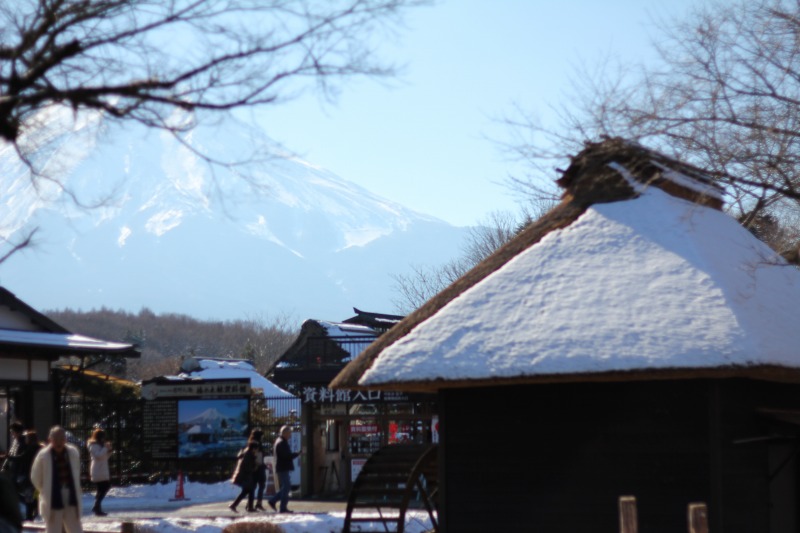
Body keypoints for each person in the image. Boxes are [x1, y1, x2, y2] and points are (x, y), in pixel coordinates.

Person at [30, 426, 83, 533]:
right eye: (56, 440)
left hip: (70, 494)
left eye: (61, 439)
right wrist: (45, 489)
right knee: (53, 529)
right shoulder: (43, 455)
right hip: (52, 496)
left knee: (75, 528)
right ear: (50, 440)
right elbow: (35, 477)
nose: (59, 443)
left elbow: (77, 472)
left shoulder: (73, 453)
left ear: (65, 440)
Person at [267, 425, 300, 513]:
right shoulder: (282, 443)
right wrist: (296, 454)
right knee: (287, 487)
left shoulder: (280, 441)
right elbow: (286, 456)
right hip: (283, 467)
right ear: (285, 433)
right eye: (289, 433)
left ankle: (273, 501)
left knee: (286, 487)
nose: (290, 435)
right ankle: (282, 507)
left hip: (282, 466)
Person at [87, 428, 113, 516]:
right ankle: (96, 506)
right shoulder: (93, 445)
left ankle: (97, 507)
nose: (103, 439)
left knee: (101, 489)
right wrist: (105, 448)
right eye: (102, 437)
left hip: (102, 469)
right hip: (97, 470)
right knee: (105, 486)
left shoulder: (101, 445)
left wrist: (109, 451)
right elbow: (98, 455)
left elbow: (104, 457)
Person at [228, 440, 259, 513]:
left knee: (248, 490)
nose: (257, 450)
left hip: (243, 475)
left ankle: (237, 505)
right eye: (256, 448)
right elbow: (248, 467)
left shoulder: (247, 453)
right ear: (253, 448)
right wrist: (254, 467)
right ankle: (245, 506)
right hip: (244, 476)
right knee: (249, 490)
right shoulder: (248, 455)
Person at [19, 430, 42, 521]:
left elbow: (22, 458)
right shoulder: (40, 448)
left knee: (28, 496)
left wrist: (9, 457)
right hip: (38, 475)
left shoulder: (29, 448)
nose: (25, 439)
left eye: (27, 437)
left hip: (29, 475)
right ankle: (35, 509)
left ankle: (29, 514)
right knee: (36, 494)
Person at [249, 429, 268, 511]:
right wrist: (263, 465)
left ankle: (251, 504)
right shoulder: (257, 444)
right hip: (258, 468)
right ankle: (257, 503)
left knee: (253, 486)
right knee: (261, 485)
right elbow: (258, 456)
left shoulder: (250, 442)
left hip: (254, 468)